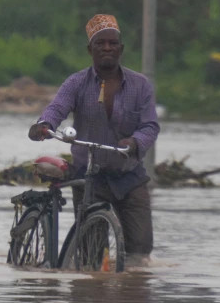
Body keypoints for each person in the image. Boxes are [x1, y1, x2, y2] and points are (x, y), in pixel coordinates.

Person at [28, 14, 160, 257]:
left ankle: (133, 292)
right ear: (90, 49)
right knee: (92, 253)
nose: (107, 48)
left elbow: (150, 125)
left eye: (112, 43)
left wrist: (134, 142)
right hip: (89, 177)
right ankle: (90, 290)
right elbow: (57, 108)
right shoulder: (76, 82)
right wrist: (44, 125)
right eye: (101, 43)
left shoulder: (140, 85)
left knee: (140, 251)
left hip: (129, 176)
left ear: (121, 48)